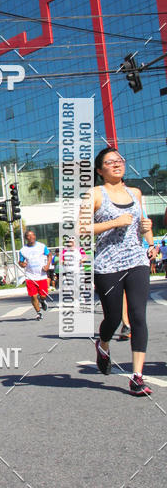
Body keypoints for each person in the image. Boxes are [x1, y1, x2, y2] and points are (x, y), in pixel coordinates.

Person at [91, 147, 155, 395]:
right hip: (108, 265)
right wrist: (114, 222)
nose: (117, 164)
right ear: (100, 170)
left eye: (119, 160)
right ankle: (103, 344)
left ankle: (137, 377)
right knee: (113, 318)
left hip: (137, 260)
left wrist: (150, 240)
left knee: (138, 316)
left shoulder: (135, 193)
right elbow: (81, 228)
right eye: (110, 162)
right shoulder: (95, 194)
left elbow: (142, 224)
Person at [18, 229, 52, 319]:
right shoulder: (23, 250)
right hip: (30, 276)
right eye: (28, 236)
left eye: (32, 235)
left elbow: (49, 255)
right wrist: (22, 264)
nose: (31, 237)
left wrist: (47, 265)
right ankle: (38, 312)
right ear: (26, 238)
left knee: (43, 295)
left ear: (35, 236)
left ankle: (43, 301)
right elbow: (20, 262)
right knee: (33, 296)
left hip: (41, 275)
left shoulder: (41, 246)